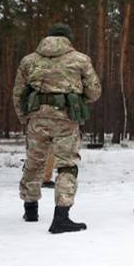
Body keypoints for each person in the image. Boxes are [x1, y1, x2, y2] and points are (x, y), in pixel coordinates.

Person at [13, 23, 103, 233]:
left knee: (34, 162)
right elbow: (94, 91)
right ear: (68, 38)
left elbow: (18, 92)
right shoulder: (80, 60)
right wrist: (75, 99)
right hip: (66, 119)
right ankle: (61, 216)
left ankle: (31, 208)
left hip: (37, 117)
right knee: (66, 164)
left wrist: (23, 117)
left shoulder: (29, 60)